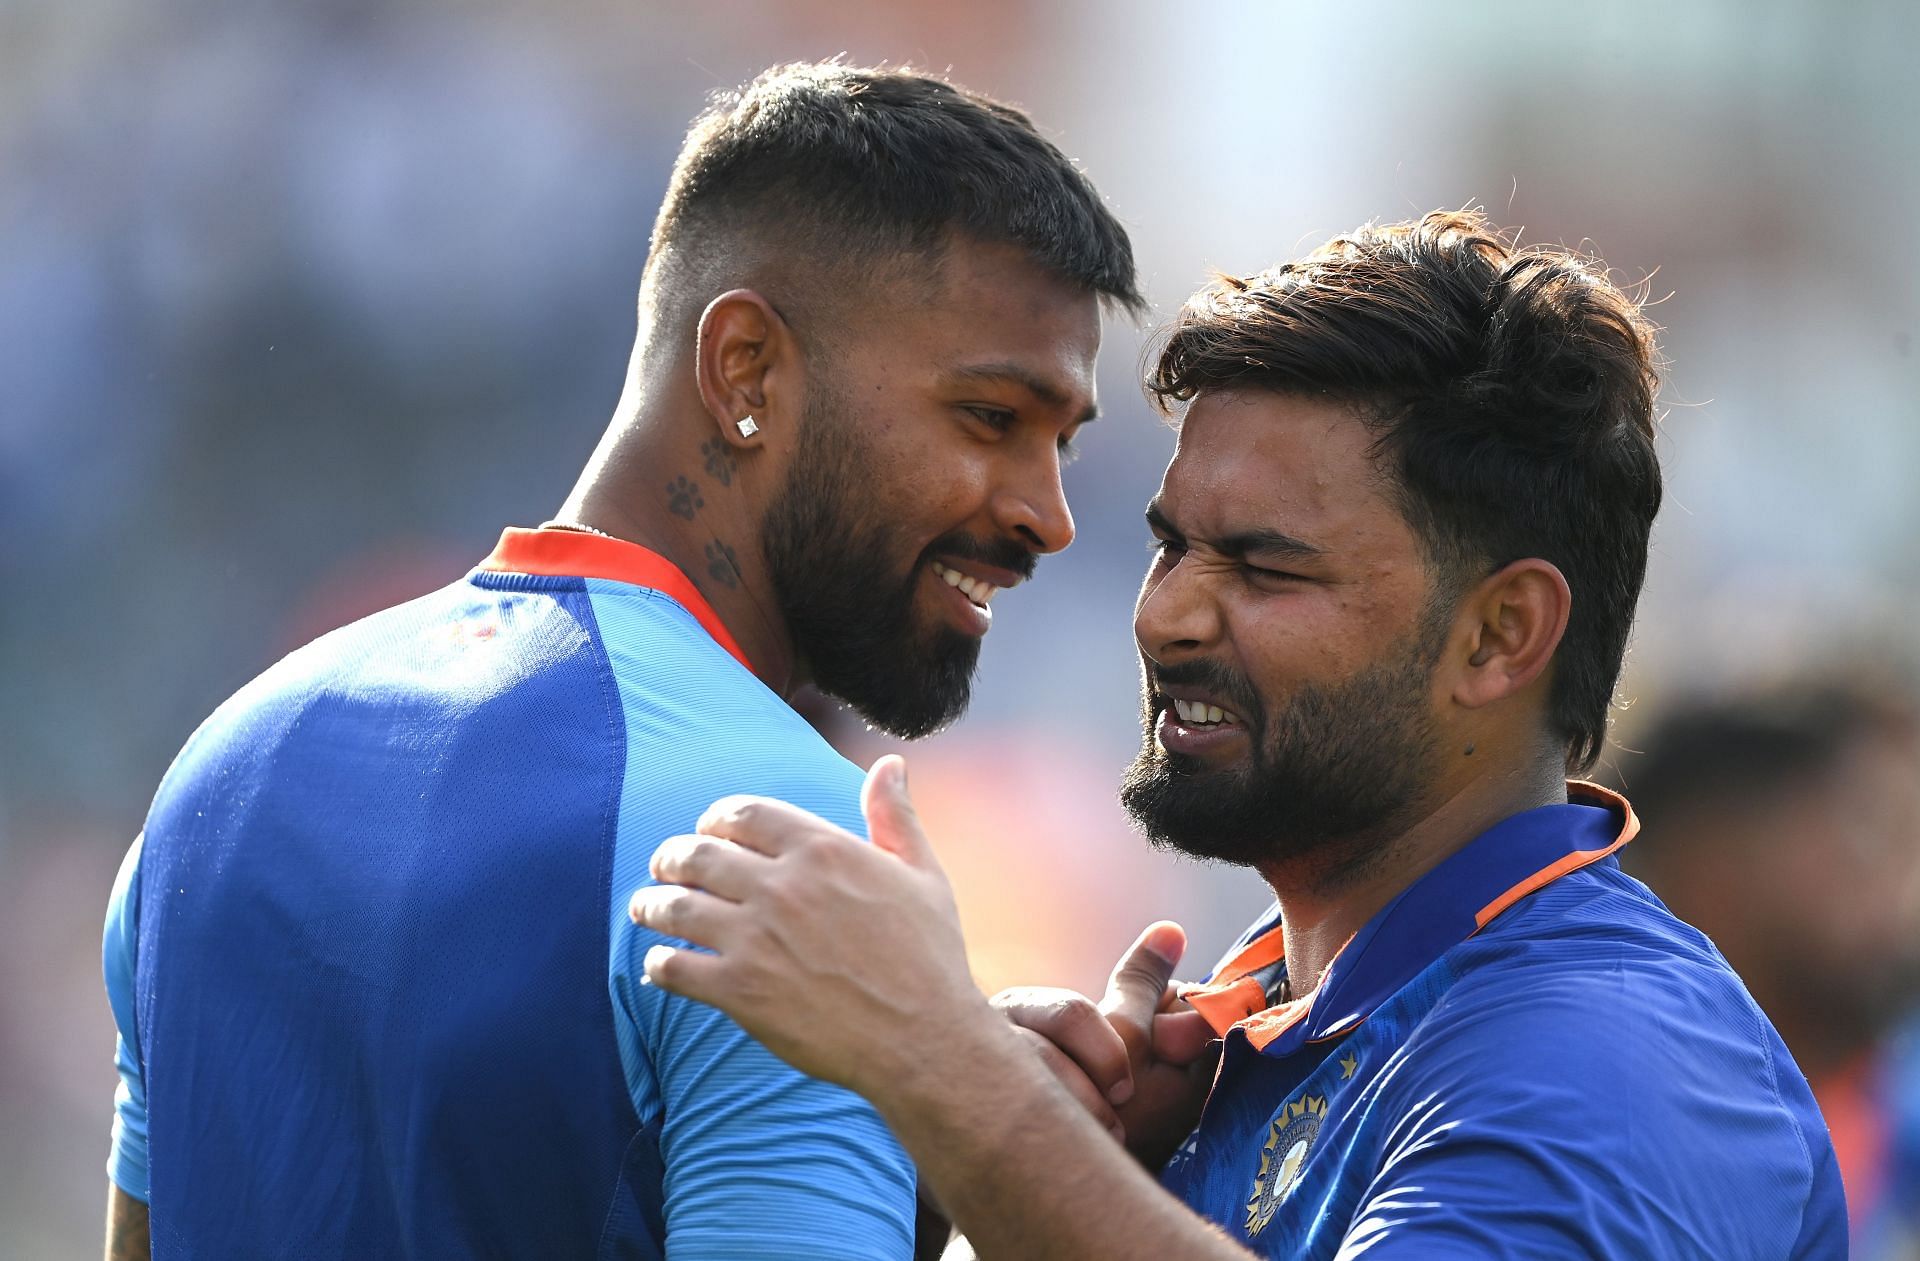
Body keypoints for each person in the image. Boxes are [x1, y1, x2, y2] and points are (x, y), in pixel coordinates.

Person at [630, 210, 1850, 1258]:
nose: (1166, 616)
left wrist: (951, 1071)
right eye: (1171, 545)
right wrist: (1023, 1177)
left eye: (1264, 567)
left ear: (1500, 634)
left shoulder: (1606, 1061)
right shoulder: (1246, 1036)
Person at [100, 61, 1141, 1259]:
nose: (1051, 516)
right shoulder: (775, 861)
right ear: (745, 368)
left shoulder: (220, 773)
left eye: (1063, 444)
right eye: (993, 420)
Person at [1618, 678, 1920, 1258]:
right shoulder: (1577, 1125)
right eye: (1869, 835)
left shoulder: (1892, 1129)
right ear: (1714, 865)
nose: (1899, 890)